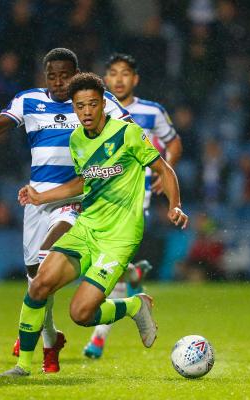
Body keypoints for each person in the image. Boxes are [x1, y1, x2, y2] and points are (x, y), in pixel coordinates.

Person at [1, 72, 189, 377]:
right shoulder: (77, 140)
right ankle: (22, 366)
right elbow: (82, 183)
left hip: (119, 236)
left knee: (80, 313)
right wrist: (40, 196)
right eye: (79, 106)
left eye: (91, 104)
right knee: (39, 286)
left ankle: (133, 306)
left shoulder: (127, 133)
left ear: (103, 104)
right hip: (87, 227)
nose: (86, 111)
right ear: (74, 108)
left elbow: (163, 169)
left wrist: (175, 204)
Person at [0, 48, 131, 373]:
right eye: (52, 76)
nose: (58, 82)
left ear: (77, 73)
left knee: (44, 266)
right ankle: (51, 342)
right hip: (37, 200)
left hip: (74, 200)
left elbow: (130, 132)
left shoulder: (95, 100)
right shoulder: (28, 101)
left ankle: (27, 358)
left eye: (65, 75)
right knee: (35, 283)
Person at [82, 53, 183, 359]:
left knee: (105, 266)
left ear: (135, 79)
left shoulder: (152, 112)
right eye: (112, 73)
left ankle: (98, 337)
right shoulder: (95, 110)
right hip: (98, 199)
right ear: (105, 78)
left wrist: (162, 171)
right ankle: (132, 275)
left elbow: (174, 143)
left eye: (125, 73)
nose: (119, 79)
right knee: (97, 264)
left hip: (133, 200)